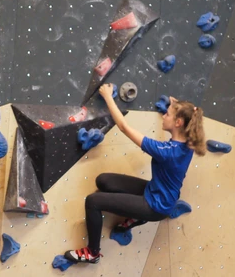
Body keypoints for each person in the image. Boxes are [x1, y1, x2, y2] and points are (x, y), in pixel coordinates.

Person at [65, 83, 206, 264]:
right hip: (157, 191)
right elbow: (188, 118)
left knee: (93, 201)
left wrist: (108, 96)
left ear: (178, 123)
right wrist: (177, 106)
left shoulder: (166, 151)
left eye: (168, 114)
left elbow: (124, 127)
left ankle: (92, 253)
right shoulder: (189, 142)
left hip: (155, 207)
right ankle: (135, 215)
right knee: (103, 181)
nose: (164, 115)